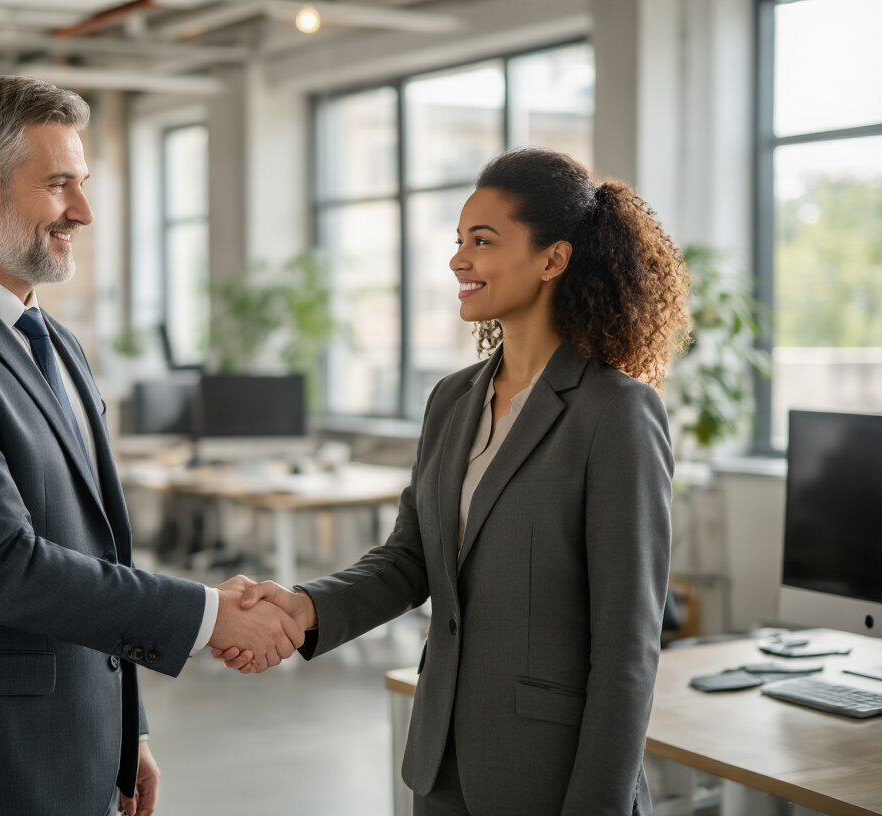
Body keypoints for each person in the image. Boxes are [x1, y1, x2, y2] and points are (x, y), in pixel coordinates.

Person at [0, 76, 303, 816]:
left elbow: (96, 552)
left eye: (82, 184)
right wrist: (210, 615)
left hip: (81, 737)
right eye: (59, 185)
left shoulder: (55, 342)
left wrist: (129, 727)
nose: (83, 212)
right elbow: (3, 568)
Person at [217, 148, 691, 816]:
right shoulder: (452, 399)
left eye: (483, 241)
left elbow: (627, 647)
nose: (458, 261)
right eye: (459, 240)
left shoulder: (615, 412)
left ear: (553, 259)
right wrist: (305, 607)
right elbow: (411, 558)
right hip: (441, 764)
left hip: (551, 777)